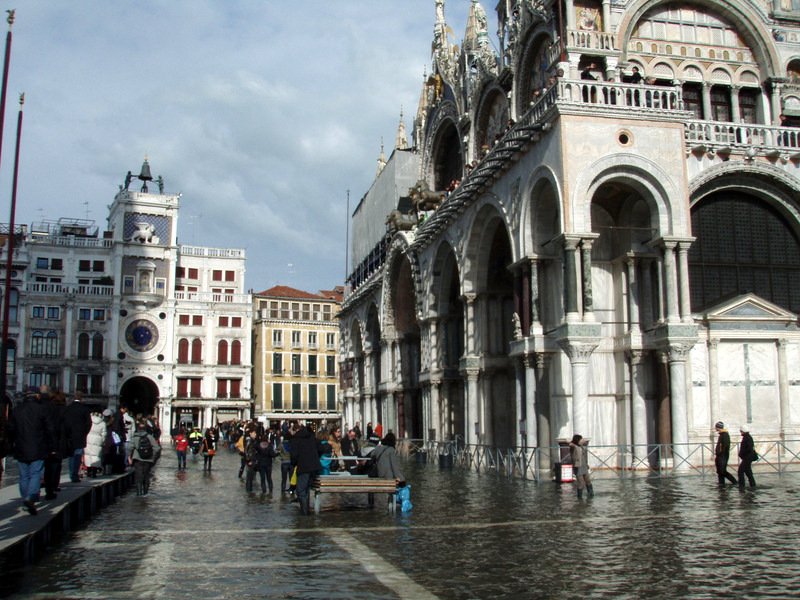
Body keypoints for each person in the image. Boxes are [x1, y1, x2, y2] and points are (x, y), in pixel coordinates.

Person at [6, 387, 55, 515]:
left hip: (21, 447)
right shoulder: (41, 410)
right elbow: (50, 429)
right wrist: (52, 446)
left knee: (24, 475)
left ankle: (24, 499)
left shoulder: (17, 410)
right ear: (37, 396)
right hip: (38, 447)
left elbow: (10, 429)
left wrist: (11, 445)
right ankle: (31, 497)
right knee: (36, 473)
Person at [289, 423, 326, 515]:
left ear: (294, 431)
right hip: (314, 465)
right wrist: (315, 457)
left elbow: (293, 455)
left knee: (301, 489)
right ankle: (306, 510)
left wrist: (294, 463)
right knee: (306, 488)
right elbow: (321, 448)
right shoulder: (311, 437)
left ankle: (305, 512)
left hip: (303, 466)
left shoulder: (295, 440)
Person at [64, 391, 92, 482]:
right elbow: (88, 423)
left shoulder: (68, 408)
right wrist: (85, 433)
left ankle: (71, 473)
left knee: (71, 456)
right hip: (80, 436)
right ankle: (75, 474)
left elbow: (65, 422)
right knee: (78, 455)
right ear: (81, 399)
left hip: (69, 435)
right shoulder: (85, 409)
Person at [129, 419, 161, 496]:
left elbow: (130, 448)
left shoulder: (135, 437)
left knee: (138, 476)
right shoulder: (150, 437)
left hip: (137, 459)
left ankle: (139, 493)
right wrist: (153, 458)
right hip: (148, 460)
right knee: (146, 476)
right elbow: (157, 448)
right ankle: (145, 493)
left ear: (138, 429)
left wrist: (129, 457)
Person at [714, 421, 737, 486]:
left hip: (722, 456)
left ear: (718, 427)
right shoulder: (721, 434)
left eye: (716, 426)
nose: (715, 428)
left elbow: (725, 446)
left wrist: (721, 454)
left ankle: (735, 482)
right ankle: (721, 483)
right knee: (719, 471)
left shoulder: (724, 435)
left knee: (723, 471)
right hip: (720, 456)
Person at [84, 410, 106, 477]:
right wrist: (102, 441)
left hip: (88, 437)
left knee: (88, 455)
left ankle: (88, 470)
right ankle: (94, 472)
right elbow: (104, 433)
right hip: (98, 439)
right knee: (96, 455)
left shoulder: (89, 420)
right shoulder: (102, 423)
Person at [570, 434, 593, 498]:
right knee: (581, 483)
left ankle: (591, 494)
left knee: (588, 480)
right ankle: (579, 497)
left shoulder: (581, 447)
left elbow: (583, 456)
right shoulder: (574, 447)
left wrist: (586, 463)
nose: (581, 441)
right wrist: (572, 444)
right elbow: (572, 446)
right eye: (580, 440)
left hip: (584, 466)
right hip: (578, 466)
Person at [738, 425, 757, 489]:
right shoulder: (747, 437)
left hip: (747, 457)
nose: (740, 432)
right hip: (747, 457)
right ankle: (752, 484)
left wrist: (742, 454)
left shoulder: (747, 438)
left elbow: (748, 448)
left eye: (741, 431)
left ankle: (742, 485)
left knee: (740, 471)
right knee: (748, 471)